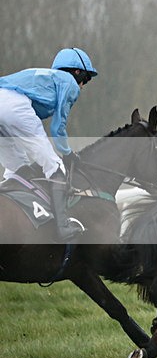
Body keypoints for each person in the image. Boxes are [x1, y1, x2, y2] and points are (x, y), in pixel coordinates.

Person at [0, 47, 98, 240]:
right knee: (55, 167)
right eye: (85, 79)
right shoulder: (69, 82)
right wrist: (67, 153)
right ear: (76, 71)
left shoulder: (46, 78)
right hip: (14, 107)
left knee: (19, 170)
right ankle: (62, 227)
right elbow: (57, 127)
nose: (83, 86)